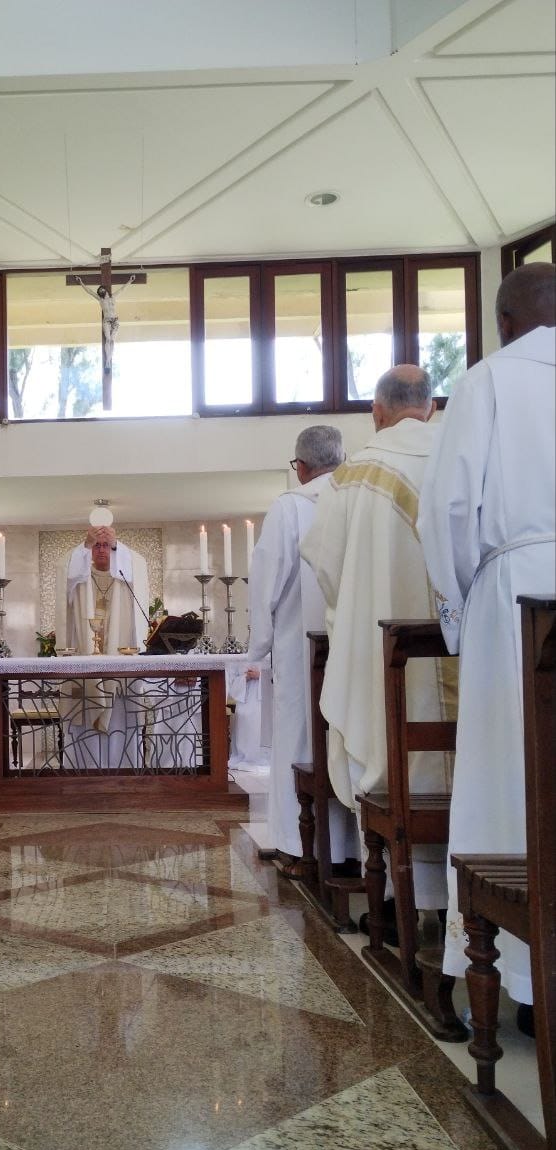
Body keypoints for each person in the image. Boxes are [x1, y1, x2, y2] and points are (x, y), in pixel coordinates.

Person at [419, 261, 556, 1014]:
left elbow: (449, 511)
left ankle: (517, 976)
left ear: (504, 322)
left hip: (515, 596)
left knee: (510, 782)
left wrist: (464, 613)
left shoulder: (487, 380)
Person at [300, 365, 453, 925]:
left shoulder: (354, 475)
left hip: (387, 656)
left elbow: (326, 565)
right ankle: (467, 906)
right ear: (430, 407)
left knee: (388, 751)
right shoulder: (460, 455)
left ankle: (397, 900)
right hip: (466, 651)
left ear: (377, 412)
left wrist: (352, 613)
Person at [248, 424, 359, 875]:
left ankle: (299, 847)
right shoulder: (359, 496)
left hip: (300, 651)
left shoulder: (289, 507)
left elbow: (266, 580)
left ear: (301, 467)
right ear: (342, 459)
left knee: (299, 740)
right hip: (353, 647)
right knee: (349, 738)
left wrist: (258, 646)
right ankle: (354, 849)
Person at [55, 524, 150, 768]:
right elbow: (65, 570)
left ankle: (124, 771)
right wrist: (85, 544)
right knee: (85, 713)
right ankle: (85, 772)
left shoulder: (125, 579)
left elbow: (138, 566)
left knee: (121, 718)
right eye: (96, 546)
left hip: (121, 666)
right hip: (85, 663)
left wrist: (117, 543)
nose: (101, 550)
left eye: (106, 546)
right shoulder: (80, 580)